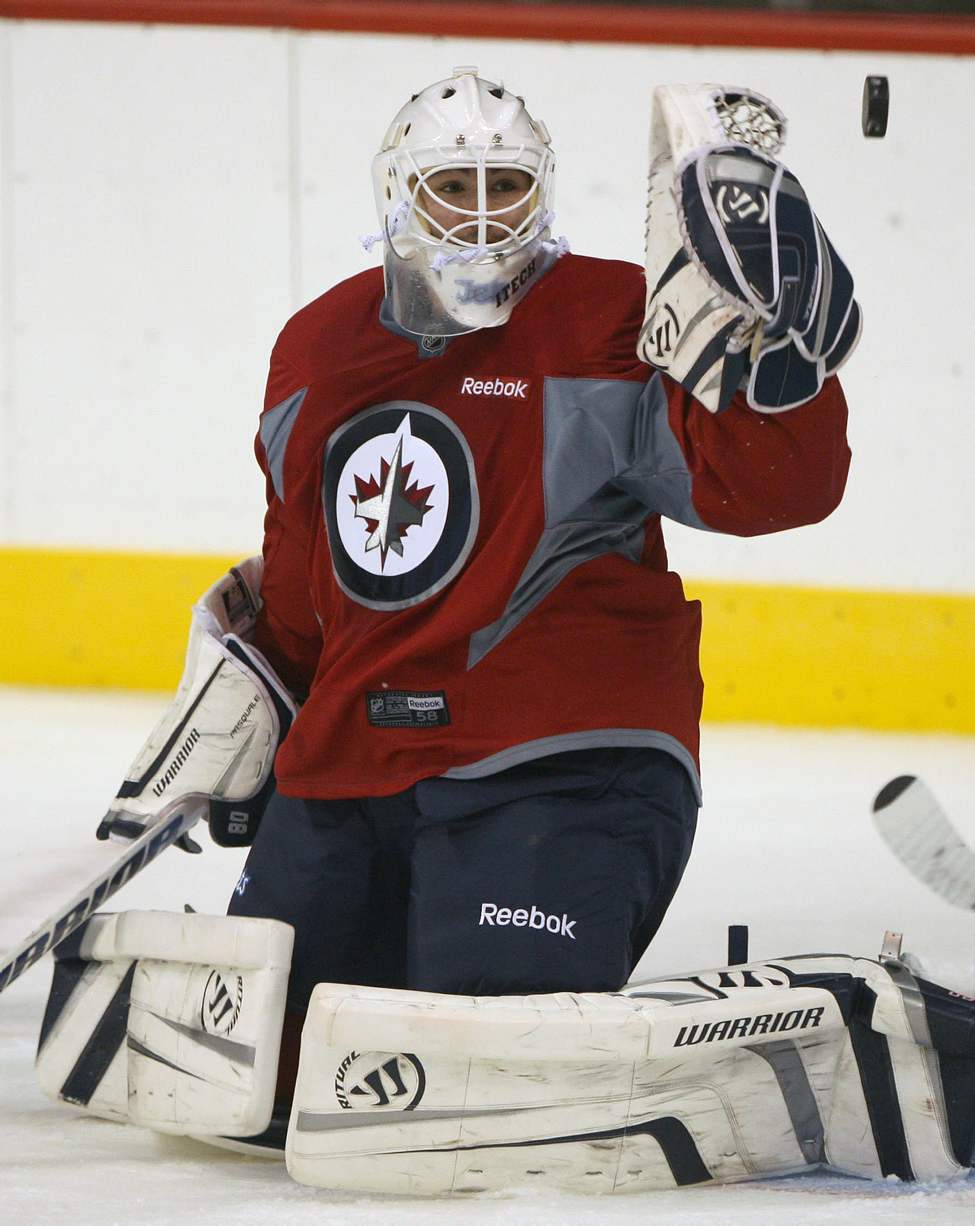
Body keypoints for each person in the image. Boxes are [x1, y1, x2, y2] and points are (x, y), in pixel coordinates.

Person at [223, 65, 853, 1052]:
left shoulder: (609, 316)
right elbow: (305, 584)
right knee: (270, 1061)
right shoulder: (317, 346)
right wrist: (241, 706)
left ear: (543, 190)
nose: (481, 216)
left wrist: (778, 353)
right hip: (350, 766)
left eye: (504, 186)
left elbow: (772, 486)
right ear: (399, 190)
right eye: (454, 187)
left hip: (558, 763)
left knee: (482, 1042)